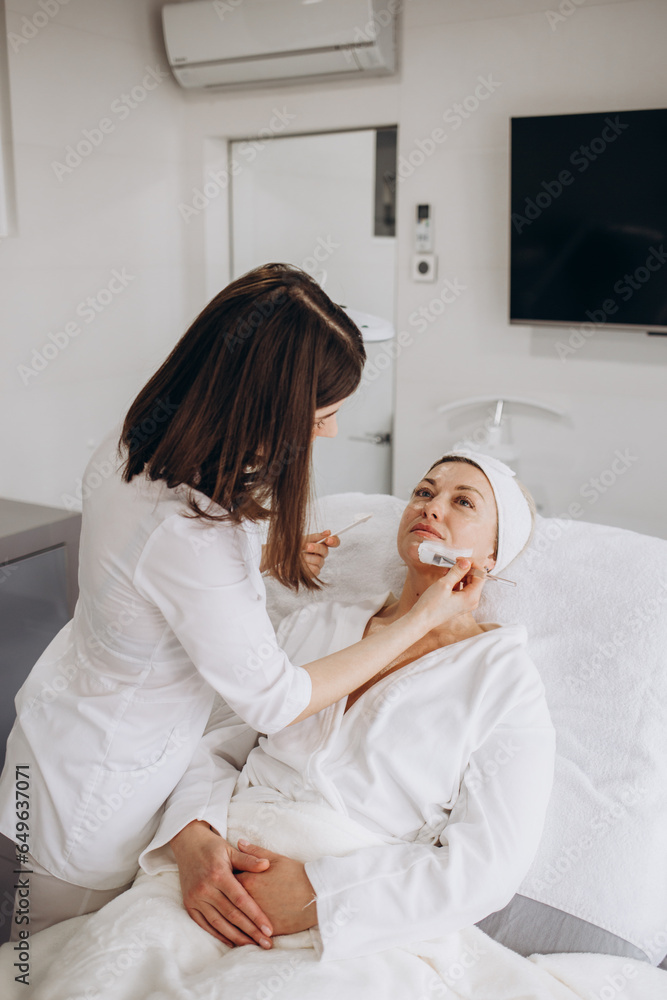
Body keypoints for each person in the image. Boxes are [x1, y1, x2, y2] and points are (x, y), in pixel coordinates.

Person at [0, 265, 482, 944]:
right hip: (93, 800)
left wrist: (259, 560)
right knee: (34, 965)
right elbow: (274, 702)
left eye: (464, 502)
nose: (331, 433)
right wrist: (419, 622)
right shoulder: (198, 534)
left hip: (52, 736)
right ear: (266, 408)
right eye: (322, 416)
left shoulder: (136, 445)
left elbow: (146, 569)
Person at [136, 449, 555, 959]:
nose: (430, 506)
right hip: (210, 877)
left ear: (492, 555)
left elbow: (488, 866)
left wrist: (319, 896)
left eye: (463, 501)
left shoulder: (504, 680)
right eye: (424, 492)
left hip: (349, 924)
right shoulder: (317, 623)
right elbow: (210, 744)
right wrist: (193, 837)